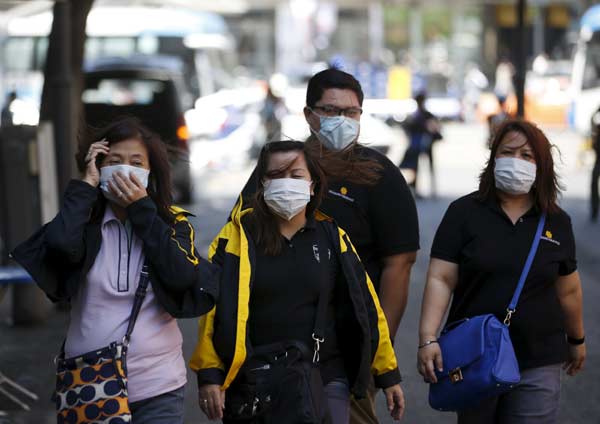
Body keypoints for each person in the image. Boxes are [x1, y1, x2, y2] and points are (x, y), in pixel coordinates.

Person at [235, 68, 419, 424]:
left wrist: (378, 352)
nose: (342, 120)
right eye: (331, 111)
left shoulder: (380, 175)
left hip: (346, 355)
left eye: (351, 112)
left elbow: (400, 264)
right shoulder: (279, 167)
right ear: (309, 115)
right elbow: (239, 243)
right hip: (274, 350)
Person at [11, 117, 218, 423]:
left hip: (158, 384)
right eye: (114, 161)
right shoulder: (84, 222)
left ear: (150, 172)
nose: (124, 169)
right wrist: (86, 184)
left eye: (136, 162)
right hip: (89, 382)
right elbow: (58, 246)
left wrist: (142, 210)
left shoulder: (172, 225)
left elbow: (182, 276)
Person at [190, 140, 405, 423]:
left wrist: (387, 374)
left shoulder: (333, 237)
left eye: (296, 176)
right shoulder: (236, 238)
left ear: (313, 185)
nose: (286, 184)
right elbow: (212, 310)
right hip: (256, 382)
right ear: (262, 183)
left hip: (325, 376)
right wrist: (209, 375)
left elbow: (366, 307)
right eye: (276, 176)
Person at [417, 119, 586, 423]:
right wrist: (428, 338)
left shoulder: (556, 222)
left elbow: (569, 290)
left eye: (527, 156)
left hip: (538, 358)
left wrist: (576, 340)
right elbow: (441, 279)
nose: (516, 161)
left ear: (541, 166)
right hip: (474, 355)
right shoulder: (464, 213)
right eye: (508, 152)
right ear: (493, 157)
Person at [400, 92, 442, 198]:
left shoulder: (417, 116)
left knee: (418, 167)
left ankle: (424, 189)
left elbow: (407, 129)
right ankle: (427, 190)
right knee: (420, 167)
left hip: (420, 145)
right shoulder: (423, 115)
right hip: (424, 144)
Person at [590, 107, 600, 222]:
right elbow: (592, 120)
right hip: (598, 162)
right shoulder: (597, 129)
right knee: (594, 185)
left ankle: (594, 209)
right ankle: (594, 209)